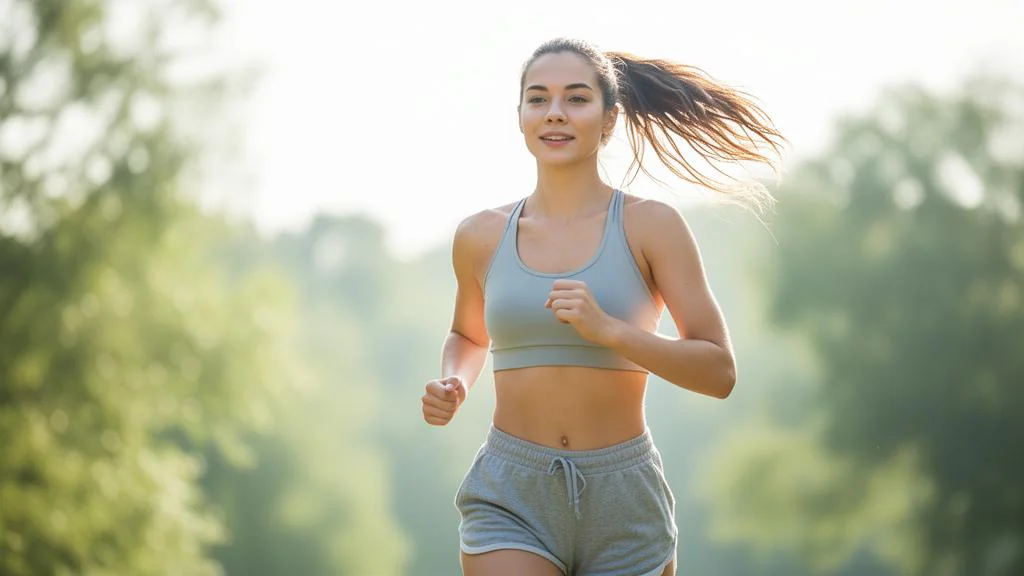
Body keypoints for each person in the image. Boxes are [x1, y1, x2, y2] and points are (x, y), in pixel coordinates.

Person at [420, 37, 784, 576]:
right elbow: (470, 336)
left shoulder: (651, 226)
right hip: (511, 490)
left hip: (624, 497)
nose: (555, 114)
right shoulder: (479, 235)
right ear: (519, 116)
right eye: (538, 99)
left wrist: (611, 330)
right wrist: (454, 381)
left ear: (609, 119)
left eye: (577, 98)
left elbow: (719, 371)